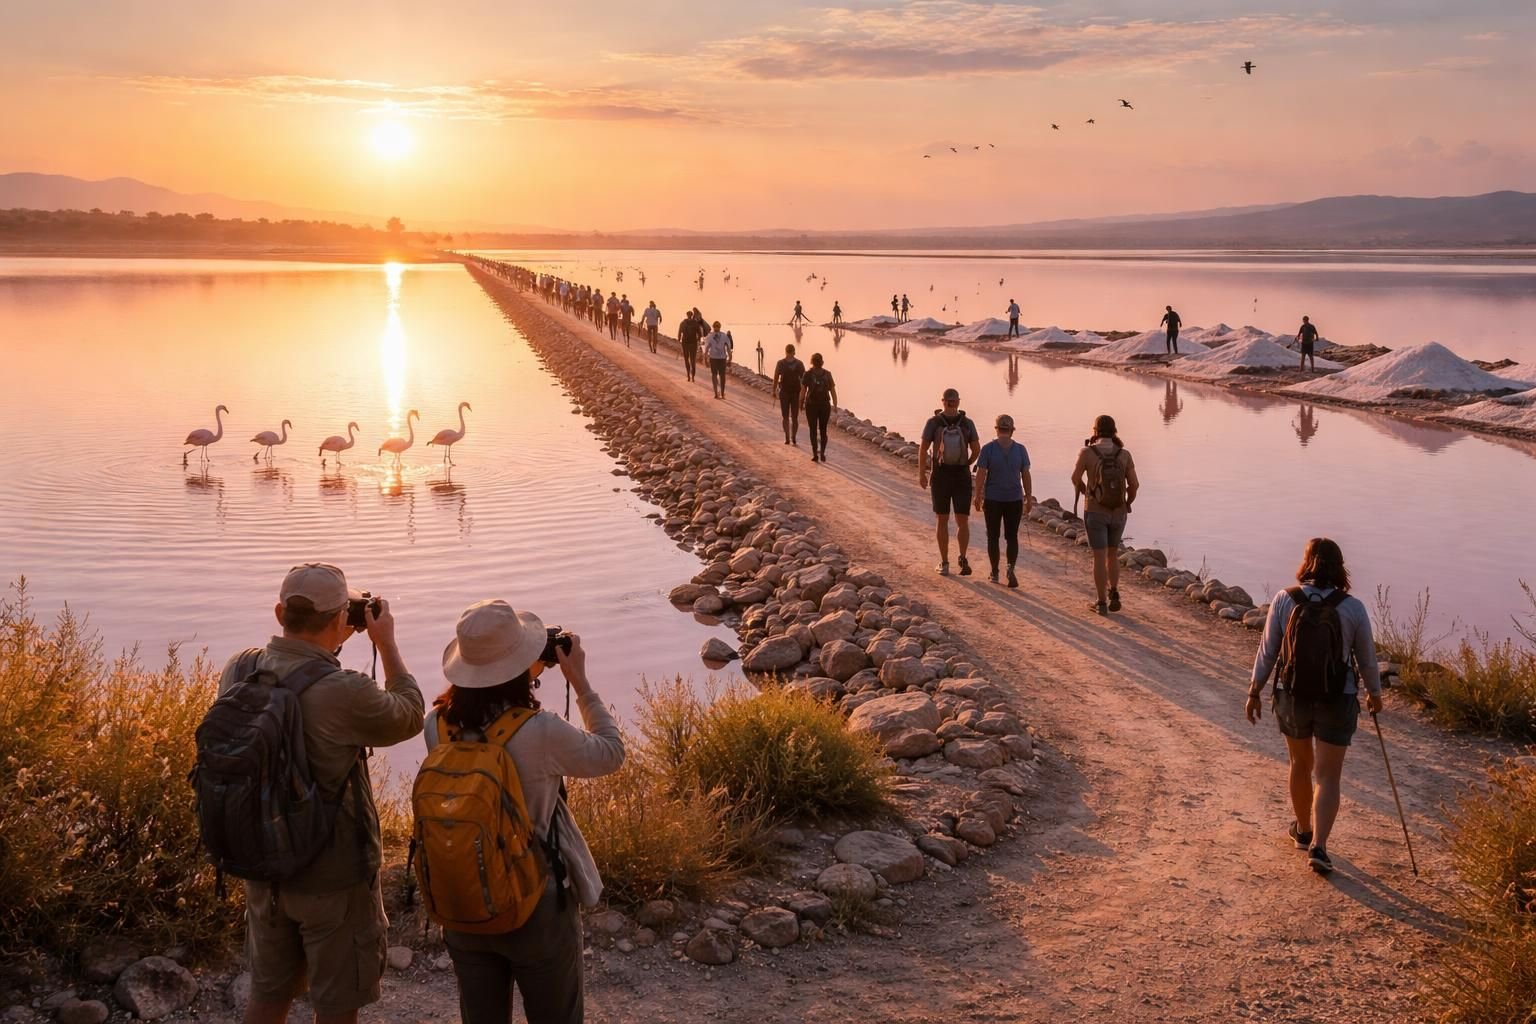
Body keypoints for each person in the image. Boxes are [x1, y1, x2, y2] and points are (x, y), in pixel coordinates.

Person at [222, 564, 424, 1024]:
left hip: (263, 868)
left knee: (269, 994)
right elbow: (410, 714)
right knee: (336, 1005)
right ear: (341, 621)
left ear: (279, 612)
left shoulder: (241, 667)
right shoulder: (343, 690)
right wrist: (386, 644)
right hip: (333, 878)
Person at [427, 600, 624, 1024]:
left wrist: (521, 669)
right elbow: (611, 753)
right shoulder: (541, 731)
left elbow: (488, 717)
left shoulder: (436, 726)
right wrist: (580, 682)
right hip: (536, 900)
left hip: (464, 897)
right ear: (523, 664)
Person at [1245, 538, 1383, 875]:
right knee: (1328, 775)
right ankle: (1320, 846)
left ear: (1307, 563)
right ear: (1340, 567)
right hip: (1338, 698)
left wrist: (1254, 691)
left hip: (1292, 695)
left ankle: (1303, 831)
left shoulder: (1284, 599)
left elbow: (1268, 651)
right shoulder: (1352, 608)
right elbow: (1366, 658)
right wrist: (1375, 695)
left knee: (1299, 763)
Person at [1070, 414, 1140, 615]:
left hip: (1095, 510)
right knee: (1112, 554)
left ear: (1095, 431)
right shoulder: (1124, 454)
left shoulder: (1087, 452)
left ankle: (1101, 603)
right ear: (1114, 431)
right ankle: (1115, 592)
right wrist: (1128, 503)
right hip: (1118, 512)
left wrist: (1086, 492)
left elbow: (1075, 478)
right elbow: (1134, 485)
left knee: (1099, 557)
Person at [919, 388, 981, 576]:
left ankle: (944, 563)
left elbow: (923, 449)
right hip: (961, 475)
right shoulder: (968, 423)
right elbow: (977, 450)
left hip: (941, 475)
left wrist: (922, 473)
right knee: (963, 520)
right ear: (958, 402)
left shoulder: (933, 423)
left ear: (943, 402)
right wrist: (967, 464)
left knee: (942, 520)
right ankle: (962, 558)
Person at [972, 414, 1034, 588]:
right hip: (1014, 499)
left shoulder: (988, 449)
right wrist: (1028, 498)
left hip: (993, 499)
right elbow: (1026, 475)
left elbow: (981, 474)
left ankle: (994, 571)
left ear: (997, 429)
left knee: (993, 536)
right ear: (1012, 431)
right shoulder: (1021, 449)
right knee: (1011, 537)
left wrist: (977, 495)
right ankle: (1010, 568)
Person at [801, 352, 837, 463]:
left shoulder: (807, 374)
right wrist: (835, 405)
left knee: (812, 430)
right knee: (823, 430)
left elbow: (803, 391)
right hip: (824, 405)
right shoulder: (827, 374)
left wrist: (800, 404)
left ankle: (814, 453)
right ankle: (822, 453)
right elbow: (833, 391)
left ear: (812, 362)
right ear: (822, 362)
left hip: (811, 405)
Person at [772, 343, 806, 446]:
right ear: (794, 352)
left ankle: (787, 437)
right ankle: (793, 437)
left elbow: (776, 378)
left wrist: (773, 391)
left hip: (785, 392)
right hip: (795, 393)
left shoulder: (780, 363)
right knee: (794, 417)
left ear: (786, 351)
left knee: (785, 417)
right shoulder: (799, 364)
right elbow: (804, 380)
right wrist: (804, 394)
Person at [704, 320, 732, 399]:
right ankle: (722, 394)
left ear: (713, 327)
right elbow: (728, 349)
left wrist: (705, 360)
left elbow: (706, 349)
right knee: (722, 376)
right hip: (722, 359)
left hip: (713, 358)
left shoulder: (709, 336)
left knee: (714, 375)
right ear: (720, 327)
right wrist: (730, 359)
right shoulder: (724, 336)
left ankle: (716, 393)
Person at [678, 311, 702, 382]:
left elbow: (679, 333)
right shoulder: (695, 323)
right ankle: (692, 376)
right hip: (693, 343)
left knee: (686, 359)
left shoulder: (683, 323)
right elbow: (700, 334)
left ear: (687, 315)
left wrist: (679, 339)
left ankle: (688, 374)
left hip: (685, 343)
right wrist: (698, 340)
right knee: (692, 360)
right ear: (692, 315)